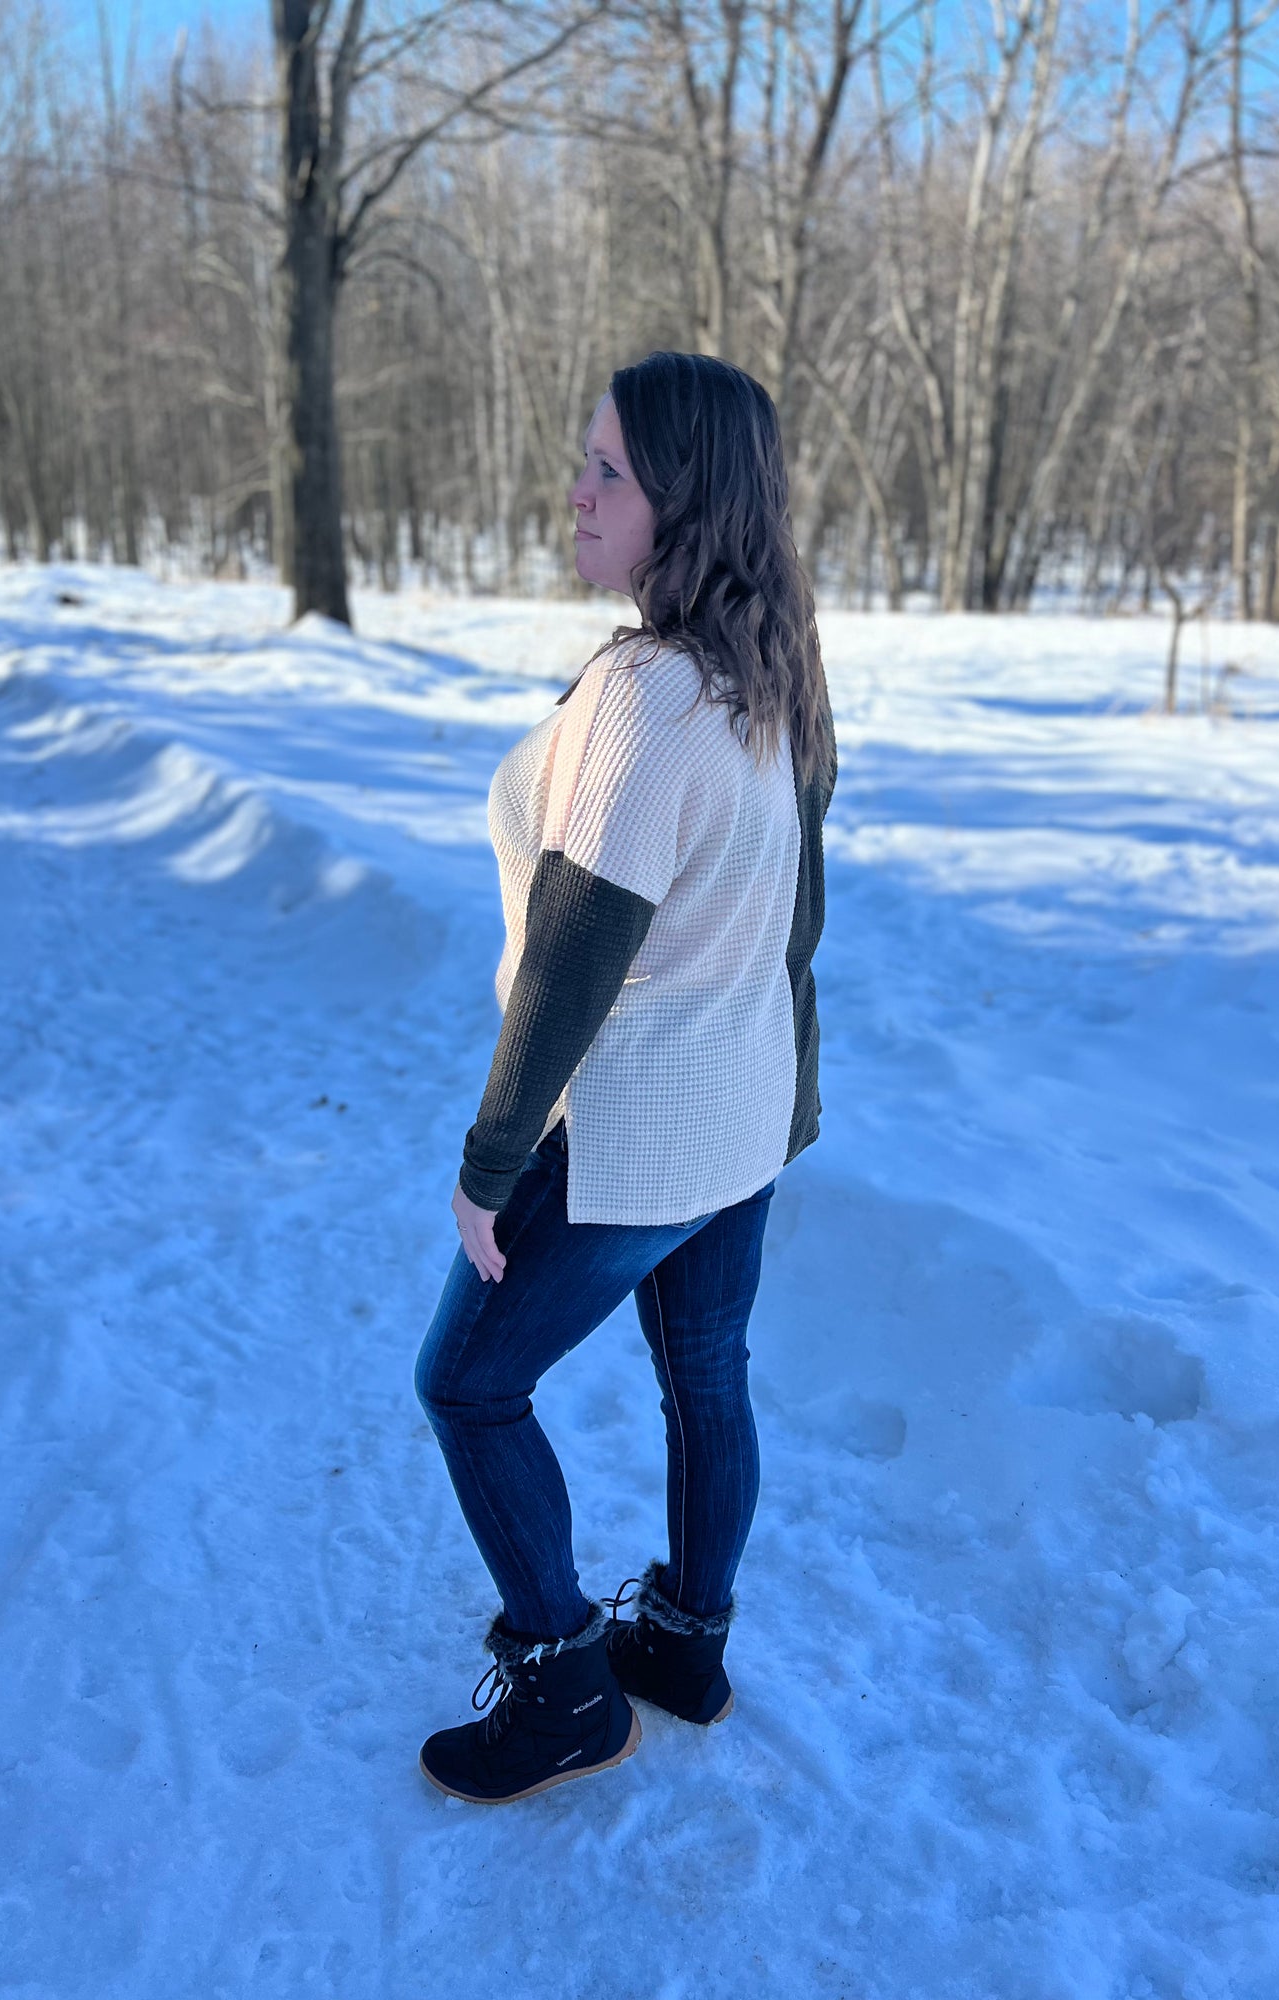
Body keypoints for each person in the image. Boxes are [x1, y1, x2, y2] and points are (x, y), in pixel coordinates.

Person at [413, 350, 838, 1805]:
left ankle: (560, 1688)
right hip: (739, 1115)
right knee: (705, 1373)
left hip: (633, 1128)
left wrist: (491, 1160)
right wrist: (788, 1093)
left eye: (608, 471)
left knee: (467, 1384)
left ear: (684, 497)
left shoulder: (644, 693)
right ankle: (684, 1645)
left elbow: (577, 948)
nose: (576, 491)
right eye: (582, 461)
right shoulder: (767, 666)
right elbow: (792, 909)